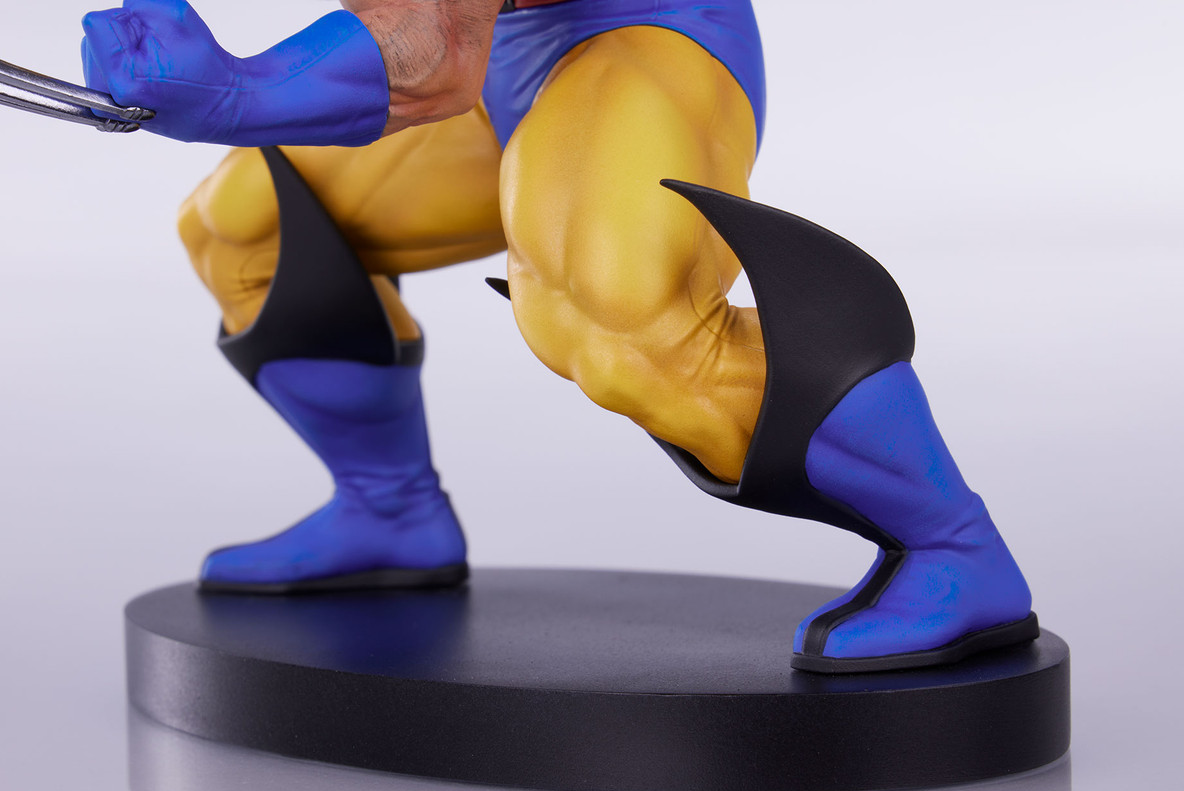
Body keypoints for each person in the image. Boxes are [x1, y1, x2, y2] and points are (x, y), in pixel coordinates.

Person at [81, 0, 1036, 672]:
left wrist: (239, 90)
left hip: (641, 30)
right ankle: (388, 512)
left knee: (611, 310)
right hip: (498, 55)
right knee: (246, 224)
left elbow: (431, 48)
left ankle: (953, 544)